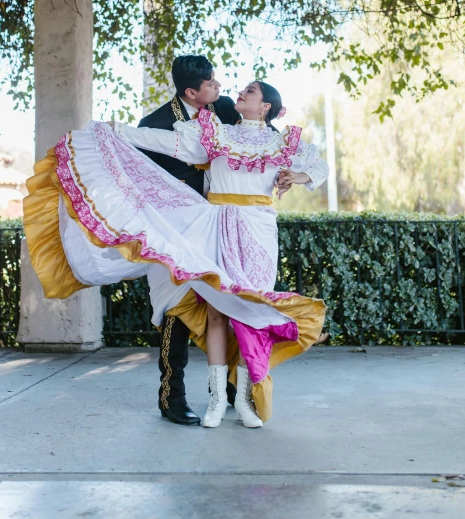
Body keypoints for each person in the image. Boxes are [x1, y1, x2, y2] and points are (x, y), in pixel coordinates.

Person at [23, 80, 328, 428]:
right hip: (216, 226)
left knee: (251, 313)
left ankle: (242, 400)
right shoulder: (215, 134)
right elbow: (166, 142)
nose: (241, 93)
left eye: (251, 91)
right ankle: (215, 402)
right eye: (242, 90)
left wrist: (298, 175)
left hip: (259, 229)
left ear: (267, 107)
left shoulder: (283, 142)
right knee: (216, 313)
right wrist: (117, 131)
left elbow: (319, 166)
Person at [138, 55, 241, 426]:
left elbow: (259, 137)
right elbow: (141, 183)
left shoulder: (224, 109)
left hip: (220, 226)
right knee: (176, 308)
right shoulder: (155, 124)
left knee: (229, 305)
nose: (218, 86)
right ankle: (172, 398)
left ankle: (232, 391)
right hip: (173, 231)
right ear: (190, 91)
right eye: (210, 81)